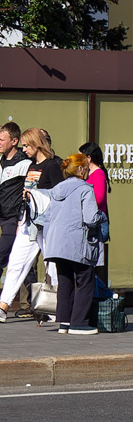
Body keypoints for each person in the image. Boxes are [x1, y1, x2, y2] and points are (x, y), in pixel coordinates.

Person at [0, 128, 64, 321]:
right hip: (28, 222)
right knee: (16, 263)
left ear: (37, 144)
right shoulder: (31, 167)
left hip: (47, 224)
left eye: (27, 145)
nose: (24, 149)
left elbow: (60, 194)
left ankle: (55, 308)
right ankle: (3, 306)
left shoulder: (52, 166)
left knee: (51, 266)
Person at [42, 153, 104, 334]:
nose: (87, 171)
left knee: (65, 280)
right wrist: (102, 217)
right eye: (86, 168)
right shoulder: (85, 189)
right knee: (86, 279)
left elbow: (48, 217)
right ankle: (79, 323)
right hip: (77, 241)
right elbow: (91, 218)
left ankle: (64, 322)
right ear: (79, 169)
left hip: (56, 244)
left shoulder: (57, 189)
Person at [0, 123, 26, 305]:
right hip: (1, 214)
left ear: (14, 141)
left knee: (3, 255)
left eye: (2, 139)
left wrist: (20, 218)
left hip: (12, 218)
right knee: (20, 262)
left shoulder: (24, 163)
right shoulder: (0, 162)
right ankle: (34, 302)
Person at [79, 142, 110, 283]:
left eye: (81, 156)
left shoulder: (98, 174)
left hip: (95, 224)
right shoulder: (86, 173)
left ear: (89, 158)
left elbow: (99, 198)